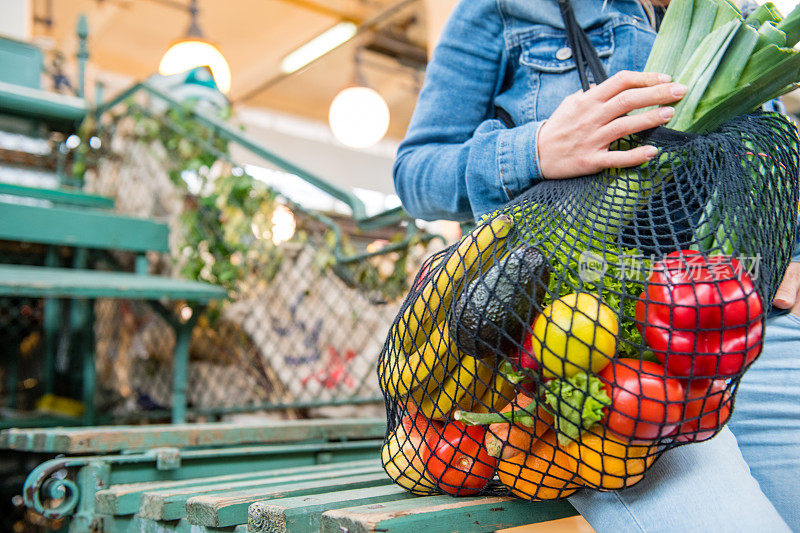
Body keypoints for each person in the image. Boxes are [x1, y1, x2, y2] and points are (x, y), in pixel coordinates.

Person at [393, 1, 800, 531]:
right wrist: (536, 148)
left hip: (752, 318)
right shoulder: (506, 8)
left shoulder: (742, 19)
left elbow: (770, 163)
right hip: (606, 345)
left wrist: (794, 254)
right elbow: (416, 173)